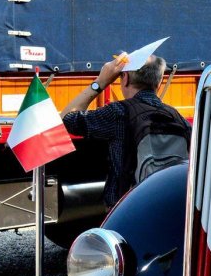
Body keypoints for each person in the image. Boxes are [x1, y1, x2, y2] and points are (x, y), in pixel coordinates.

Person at [61, 54, 190, 208]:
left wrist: (100, 82)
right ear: (160, 82)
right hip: (165, 208)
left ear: (125, 78)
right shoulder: (177, 117)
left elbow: (66, 119)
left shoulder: (118, 112)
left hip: (127, 211)